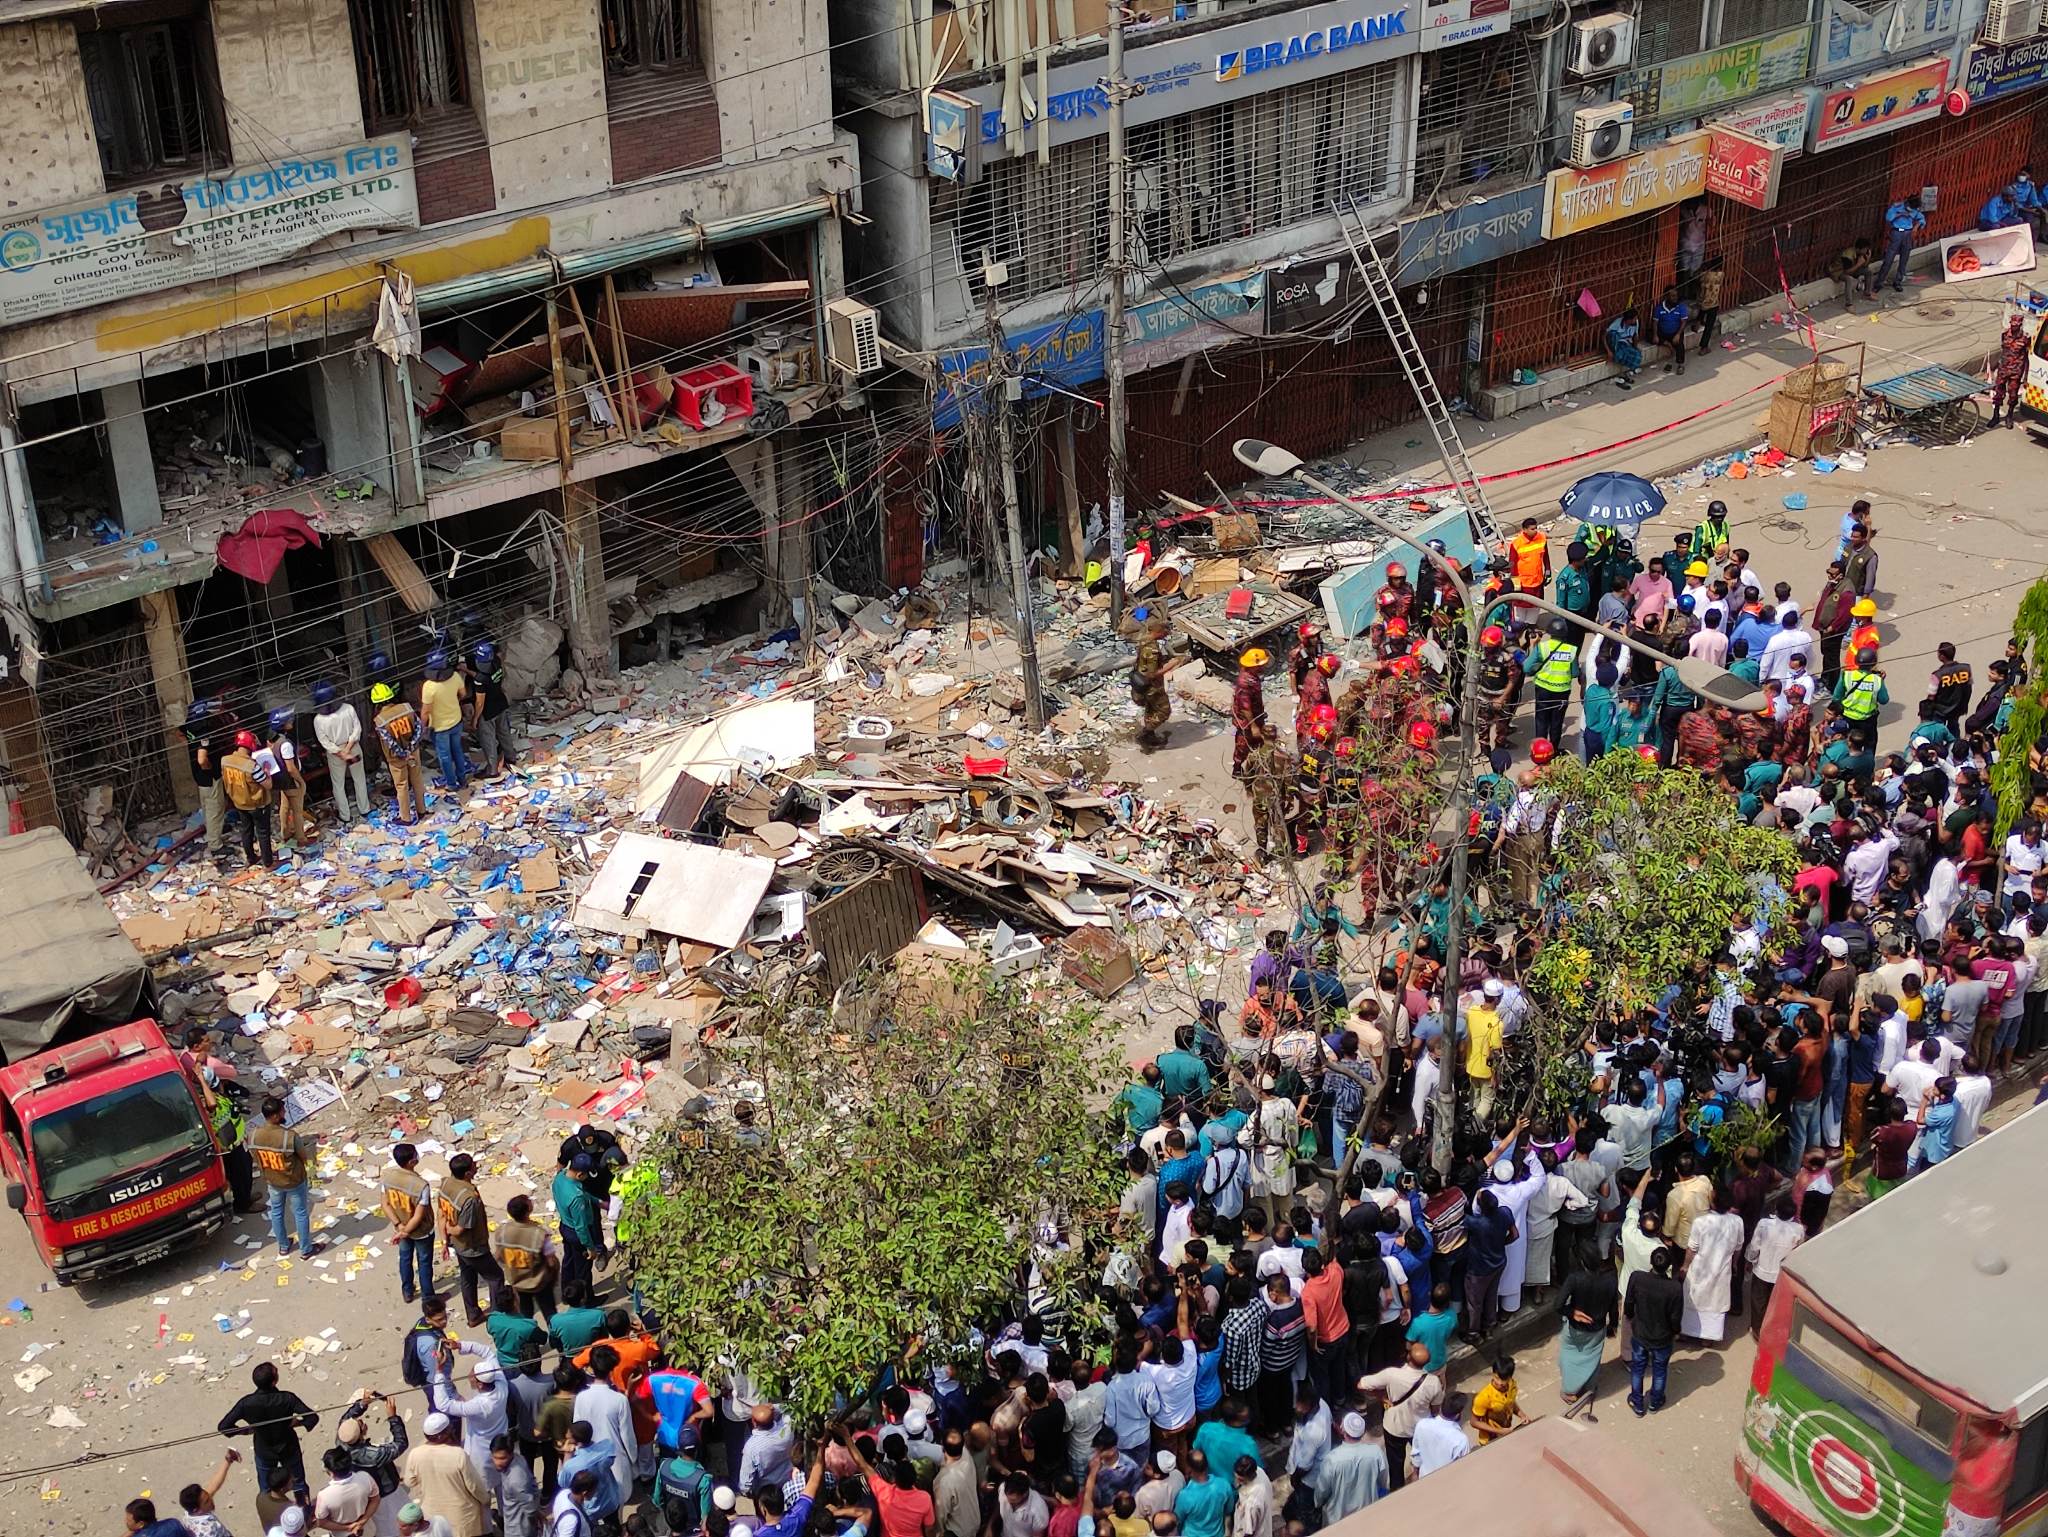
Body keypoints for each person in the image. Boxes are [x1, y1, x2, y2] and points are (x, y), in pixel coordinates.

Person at [220, 1361, 321, 1501]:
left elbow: (224, 1427)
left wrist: (247, 1430)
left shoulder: (246, 1403)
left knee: (266, 1489)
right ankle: (304, 1513)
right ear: (274, 1382)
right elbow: (312, 1418)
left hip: (264, 1449)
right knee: (298, 1483)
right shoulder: (287, 1398)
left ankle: (272, 1517)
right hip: (288, 1446)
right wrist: (294, 1423)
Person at [247, 1095, 319, 1258]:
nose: (285, 1113)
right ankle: (306, 1249)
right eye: (282, 1111)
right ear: (275, 1116)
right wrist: (312, 1172)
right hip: (293, 1180)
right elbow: (304, 1156)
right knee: (300, 1213)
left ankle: (284, 1246)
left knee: (277, 1212)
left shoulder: (253, 1135)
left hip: (272, 1180)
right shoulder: (289, 1136)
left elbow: (254, 1156)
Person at [436, 1154, 503, 1327]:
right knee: (496, 1277)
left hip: (458, 1246)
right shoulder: (469, 1199)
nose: (477, 1166)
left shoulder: (445, 1184)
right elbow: (460, 1228)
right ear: (467, 1173)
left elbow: (441, 1214)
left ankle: (473, 1315)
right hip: (473, 1246)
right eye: (473, 1166)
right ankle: (497, 1315)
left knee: (468, 1277)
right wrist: (451, 1231)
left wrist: (444, 1240)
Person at [404, 1414, 492, 1537]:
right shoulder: (458, 1455)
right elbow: (474, 1486)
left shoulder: (416, 1454)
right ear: (443, 1434)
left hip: (433, 1514)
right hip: (462, 1516)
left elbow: (409, 1482)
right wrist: (486, 1499)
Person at [336, 1392, 410, 1537]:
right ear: (362, 1432)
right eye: (360, 1423)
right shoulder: (371, 1455)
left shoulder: (341, 1443)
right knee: (396, 1526)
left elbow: (344, 1421)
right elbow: (401, 1444)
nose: (362, 1422)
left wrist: (362, 1404)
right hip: (386, 1494)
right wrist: (392, 1417)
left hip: (367, 1496)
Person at [1555, 1255, 1619, 1420]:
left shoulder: (1574, 1279)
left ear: (1582, 1261)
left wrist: (1572, 1312)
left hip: (1575, 1328)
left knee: (1568, 1355)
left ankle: (1569, 1391)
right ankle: (1589, 1387)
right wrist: (1612, 1325)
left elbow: (1558, 1305)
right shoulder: (1610, 1280)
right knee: (1592, 1358)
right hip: (1597, 1328)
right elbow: (1613, 1306)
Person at [1622, 1247, 1683, 1416]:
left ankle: (1638, 1402)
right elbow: (1675, 1317)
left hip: (1640, 1334)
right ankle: (1655, 1403)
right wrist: (1676, 1332)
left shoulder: (1637, 1278)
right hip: (1663, 1337)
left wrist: (1630, 1316)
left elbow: (1628, 1303)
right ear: (1669, 1266)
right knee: (1660, 1370)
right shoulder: (1675, 1288)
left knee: (1638, 1368)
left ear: (1651, 1262)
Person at [1678, 1188, 1743, 1342]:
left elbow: (1692, 1248)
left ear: (1713, 1203)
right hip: (1722, 1268)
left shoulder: (1701, 1222)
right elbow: (1738, 1247)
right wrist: (1734, 1264)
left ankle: (1688, 1333)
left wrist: (1685, 1266)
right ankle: (1709, 1338)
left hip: (1700, 1268)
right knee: (1715, 1302)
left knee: (1694, 1298)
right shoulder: (1737, 1221)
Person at [382, 1142, 436, 1305]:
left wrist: (399, 1226)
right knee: (424, 1262)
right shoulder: (421, 1185)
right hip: (421, 1231)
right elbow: (419, 1215)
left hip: (401, 1227)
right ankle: (428, 1297)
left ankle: (407, 1291)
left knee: (405, 1258)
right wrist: (405, 1231)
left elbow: (385, 1204)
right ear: (412, 1162)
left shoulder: (388, 1177)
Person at [183, 699, 236, 864]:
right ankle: (215, 845)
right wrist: (210, 767)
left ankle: (213, 831)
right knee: (215, 807)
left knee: (207, 806)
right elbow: (202, 759)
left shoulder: (189, 725)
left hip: (199, 776)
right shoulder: (204, 731)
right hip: (209, 776)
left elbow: (178, 734)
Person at [494, 1195, 562, 1321]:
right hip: (539, 1282)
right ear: (528, 1211)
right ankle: (555, 1337)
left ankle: (530, 1337)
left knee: (525, 1312)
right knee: (549, 1313)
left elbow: (498, 1256)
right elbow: (551, 1262)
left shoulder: (501, 1232)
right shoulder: (539, 1233)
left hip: (517, 1281)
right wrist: (554, 1275)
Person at [220, 727, 277, 868]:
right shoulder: (251, 766)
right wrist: (267, 771)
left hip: (239, 802)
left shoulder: (225, 761)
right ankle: (268, 864)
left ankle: (251, 858)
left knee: (246, 831)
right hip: (257, 804)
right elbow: (268, 785)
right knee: (263, 833)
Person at [553, 1155, 606, 1297]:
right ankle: (586, 1298)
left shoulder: (560, 1178)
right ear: (579, 1174)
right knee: (583, 1269)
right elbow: (581, 1227)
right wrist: (590, 1247)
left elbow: (582, 1193)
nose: (587, 1178)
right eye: (586, 1175)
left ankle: (567, 1292)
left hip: (565, 1226)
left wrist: (596, 1201)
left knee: (568, 1261)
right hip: (578, 1234)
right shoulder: (577, 1199)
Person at [373, 682, 426, 824]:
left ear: (377, 705)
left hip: (396, 759)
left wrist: (403, 753)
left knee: (402, 787)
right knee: (417, 780)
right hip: (413, 752)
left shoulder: (380, 721)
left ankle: (406, 818)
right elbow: (420, 729)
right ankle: (422, 811)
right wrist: (410, 748)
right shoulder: (406, 708)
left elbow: (389, 742)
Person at [420, 649, 471, 791]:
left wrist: (422, 729)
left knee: (445, 757)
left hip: (439, 727)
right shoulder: (455, 676)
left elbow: (425, 712)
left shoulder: (429, 687)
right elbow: (463, 694)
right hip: (456, 721)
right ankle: (462, 780)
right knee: (457, 751)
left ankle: (451, 784)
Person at [265, 705, 310, 851]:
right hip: (291, 781)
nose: (292, 720)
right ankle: (301, 838)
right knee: (297, 810)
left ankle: (285, 833)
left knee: (284, 807)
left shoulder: (273, 740)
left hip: (280, 781)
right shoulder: (285, 744)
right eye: (289, 719)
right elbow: (291, 768)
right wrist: (301, 781)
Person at [314, 1445, 382, 1537]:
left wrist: (348, 1527)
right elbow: (376, 1499)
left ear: (332, 1473)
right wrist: (362, 1522)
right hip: (367, 1530)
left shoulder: (324, 1496)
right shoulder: (365, 1478)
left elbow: (321, 1523)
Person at [1131, 609, 1173, 752]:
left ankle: (1150, 735)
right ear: (1159, 632)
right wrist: (1172, 665)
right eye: (1165, 632)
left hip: (1141, 683)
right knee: (1163, 711)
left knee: (1151, 709)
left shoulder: (1144, 639)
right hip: (1152, 686)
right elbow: (1152, 673)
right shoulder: (1153, 650)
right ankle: (1146, 733)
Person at [485, 1435, 541, 1537]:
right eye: (494, 1457)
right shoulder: (519, 1459)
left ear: (511, 1454)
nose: (497, 1462)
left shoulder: (515, 1480)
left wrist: (536, 1523)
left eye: (502, 1458)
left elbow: (530, 1509)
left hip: (518, 1530)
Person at [177, 1450, 242, 1537]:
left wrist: (228, 1460)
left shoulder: (190, 1512)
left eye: (208, 1496)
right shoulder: (208, 1532)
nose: (211, 1499)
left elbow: (213, 1486)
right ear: (196, 1510)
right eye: (207, 1501)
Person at [1469, 1356, 1529, 1444]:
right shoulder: (1483, 1397)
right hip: (1491, 1441)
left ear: (1510, 1377)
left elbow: (1510, 1402)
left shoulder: (1512, 1385)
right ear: (1493, 1373)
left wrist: (1522, 1415)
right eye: (1497, 1378)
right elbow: (1474, 1422)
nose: (1500, 1383)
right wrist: (1499, 1431)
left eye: (1504, 1380)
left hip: (1506, 1433)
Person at [1407, 1393, 1470, 1478]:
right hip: (1447, 1483)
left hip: (1423, 1479)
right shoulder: (1461, 1440)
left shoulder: (1422, 1425)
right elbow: (1464, 1469)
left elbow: (1416, 1454)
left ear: (1440, 1408)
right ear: (1458, 1415)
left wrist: (1415, 1474)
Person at [1991, 313, 2031, 430]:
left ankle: (2009, 416)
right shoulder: (2005, 334)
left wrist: (2026, 377)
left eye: (2016, 325)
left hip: (2016, 372)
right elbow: (2002, 350)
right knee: (1998, 393)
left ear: (2020, 325)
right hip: (2003, 369)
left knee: (2013, 396)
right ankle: (1996, 415)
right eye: (2012, 325)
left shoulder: (2025, 339)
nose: (2013, 327)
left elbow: (2027, 357)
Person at [1877, 193, 1925, 293]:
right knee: (1888, 259)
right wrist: (1900, 214)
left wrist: (1916, 227)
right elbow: (1888, 218)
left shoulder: (1915, 209)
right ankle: (1879, 282)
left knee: (1904, 259)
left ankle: (1898, 281)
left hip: (1908, 234)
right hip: (1896, 232)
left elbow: (1922, 219)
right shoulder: (1897, 207)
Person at [1652, 286, 1691, 375]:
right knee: (1650, 335)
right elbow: (1655, 322)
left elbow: (1684, 322)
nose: (1675, 298)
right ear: (1666, 297)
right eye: (1672, 296)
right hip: (1662, 332)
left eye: (1676, 296)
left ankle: (1680, 364)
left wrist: (1678, 334)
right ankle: (1668, 344)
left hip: (1675, 332)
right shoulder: (1659, 308)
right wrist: (1655, 335)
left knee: (1680, 344)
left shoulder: (1681, 307)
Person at [1829, 236, 1875, 310]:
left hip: (1853, 269)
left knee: (1868, 272)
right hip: (1838, 271)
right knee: (1849, 279)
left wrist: (1868, 258)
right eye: (1865, 249)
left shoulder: (1860, 253)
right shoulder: (1847, 255)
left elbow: (1865, 266)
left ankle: (1867, 293)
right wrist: (1858, 264)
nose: (1866, 251)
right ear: (1859, 249)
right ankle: (1848, 304)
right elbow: (1847, 271)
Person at [1606, 310, 1642, 385]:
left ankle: (1625, 372)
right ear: (1629, 320)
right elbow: (1604, 335)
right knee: (1613, 335)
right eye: (1634, 319)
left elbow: (1635, 335)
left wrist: (1635, 347)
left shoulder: (1635, 323)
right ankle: (1616, 355)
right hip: (1615, 343)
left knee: (1637, 356)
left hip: (1625, 343)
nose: (1636, 320)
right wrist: (1609, 351)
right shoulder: (1617, 323)